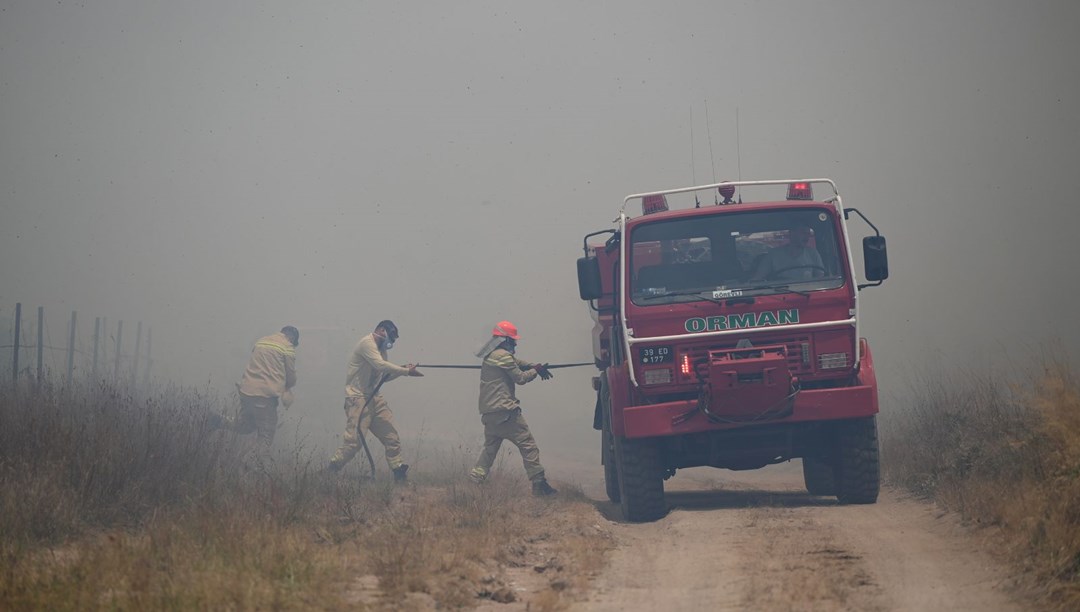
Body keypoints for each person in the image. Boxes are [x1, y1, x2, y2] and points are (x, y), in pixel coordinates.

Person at [469, 321, 557, 496]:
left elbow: (517, 362)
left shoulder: (491, 356)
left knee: (490, 450)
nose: (515, 344)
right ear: (505, 340)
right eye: (513, 340)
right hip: (506, 412)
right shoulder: (503, 356)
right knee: (528, 446)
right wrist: (535, 371)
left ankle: (474, 482)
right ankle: (539, 485)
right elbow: (521, 378)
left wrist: (533, 365)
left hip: (489, 413)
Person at [327, 320, 423, 481]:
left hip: (375, 398)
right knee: (353, 443)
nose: (391, 341)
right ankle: (331, 470)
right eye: (391, 336)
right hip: (358, 399)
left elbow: (383, 377)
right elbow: (380, 366)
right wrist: (406, 371)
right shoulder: (367, 344)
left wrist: (403, 370)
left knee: (391, 437)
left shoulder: (381, 350)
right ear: (381, 330)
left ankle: (399, 473)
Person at [217, 326, 299, 453]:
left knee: (245, 425)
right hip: (264, 396)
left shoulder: (262, 341)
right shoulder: (287, 347)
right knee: (266, 436)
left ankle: (217, 421)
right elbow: (291, 377)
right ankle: (248, 465)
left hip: (246, 390)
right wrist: (287, 388)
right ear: (292, 338)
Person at [752, 223, 825, 281]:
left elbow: (820, 279)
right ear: (792, 233)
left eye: (808, 234)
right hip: (779, 294)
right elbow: (758, 278)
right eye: (803, 233)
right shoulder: (773, 254)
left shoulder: (813, 254)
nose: (806, 237)